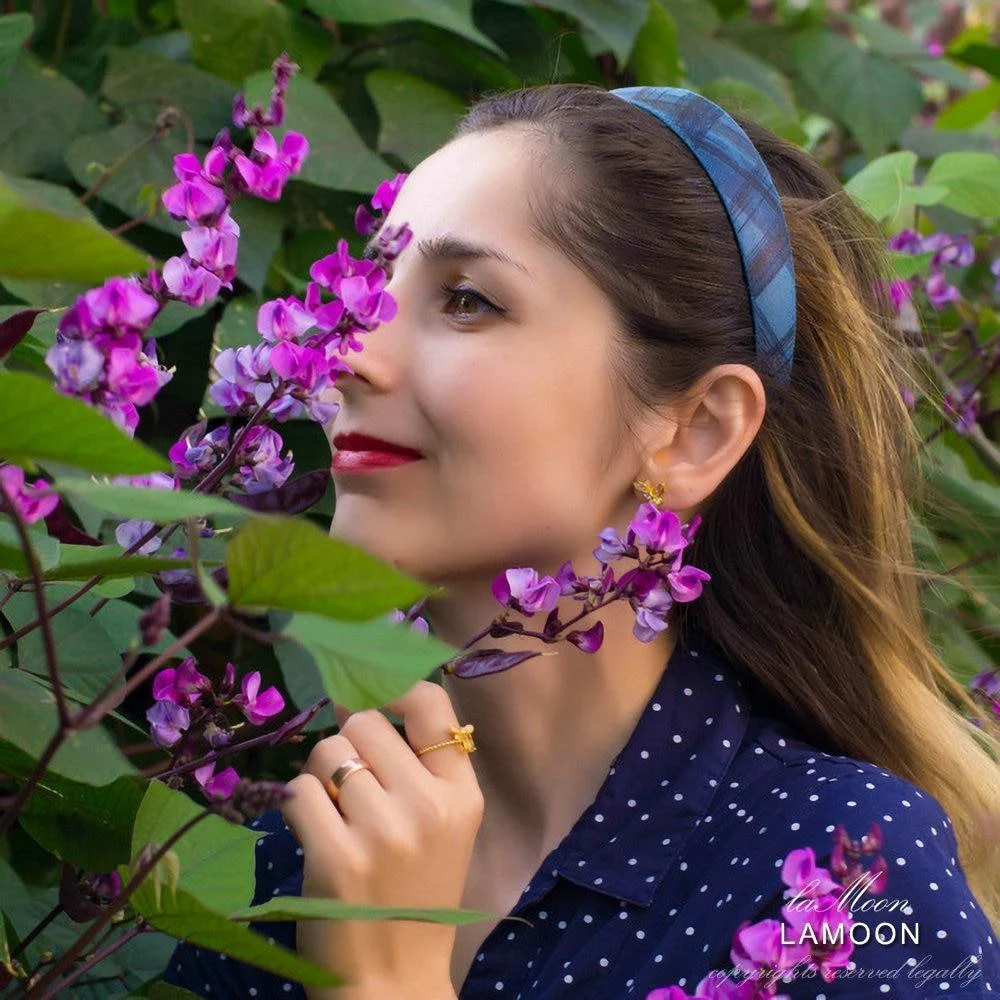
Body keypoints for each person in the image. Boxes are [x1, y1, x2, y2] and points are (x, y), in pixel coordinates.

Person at [163, 83, 1000, 999]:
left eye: (469, 300)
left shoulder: (846, 873)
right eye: (370, 289)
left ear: (695, 433)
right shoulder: (302, 857)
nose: (346, 351)